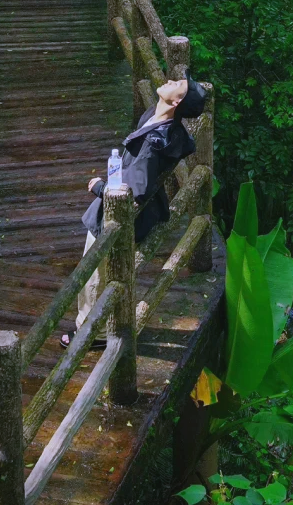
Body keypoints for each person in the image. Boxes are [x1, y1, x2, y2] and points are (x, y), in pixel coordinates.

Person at [65, 76, 206, 344]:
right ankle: (98, 328)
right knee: (98, 274)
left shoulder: (155, 143)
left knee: (94, 274)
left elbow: (136, 194)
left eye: (178, 84)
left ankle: (94, 334)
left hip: (118, 215)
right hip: (133, 204)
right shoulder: (159, 120)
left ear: (177, 101)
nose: (171, 79)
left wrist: (99, 188)